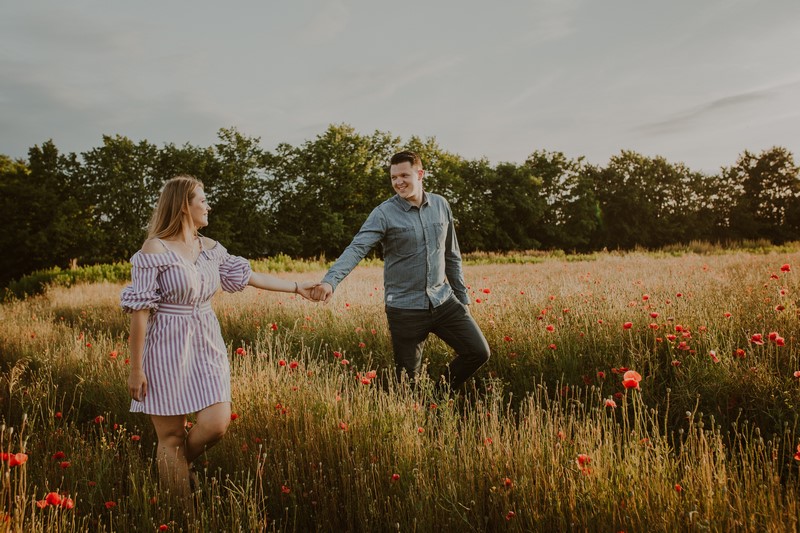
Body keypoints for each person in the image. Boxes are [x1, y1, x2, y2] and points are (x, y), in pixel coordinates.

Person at [120, 175, 317, 503]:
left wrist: (298, 287)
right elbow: (139, 311)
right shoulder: (155, 249)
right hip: (166, 348)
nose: (208, 205)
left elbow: (251, 277)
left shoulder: (210, 249)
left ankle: (173, 465)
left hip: (206, 344)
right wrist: (136, 369)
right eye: (202, 199)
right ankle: (180, 512)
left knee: (216, 423)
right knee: (169, 436)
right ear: (184, 205)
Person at [311, 151, 490, 392]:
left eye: (404, 175)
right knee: (408, 383)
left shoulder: (440, 205)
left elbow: (451, 255)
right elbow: (357, 249)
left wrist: (462, 298)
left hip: (443, 300)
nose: (398, 182)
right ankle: (419, 412)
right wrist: (330, 281)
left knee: (478, 352)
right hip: (405, 309)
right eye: (393, 177)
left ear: (420, 174)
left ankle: (436, 398)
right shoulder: (383, 213)